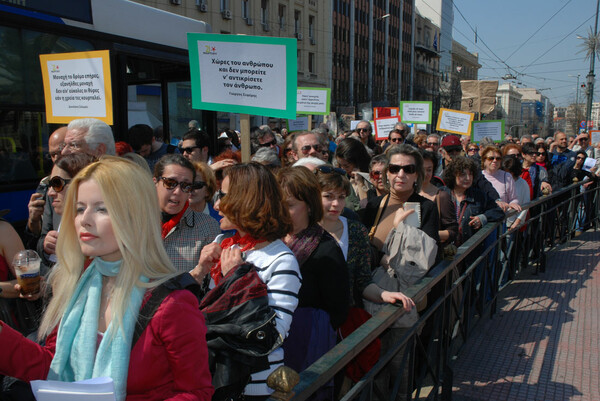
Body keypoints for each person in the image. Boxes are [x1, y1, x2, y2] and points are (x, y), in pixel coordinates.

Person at [0, 157, 214, 401]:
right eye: (80, 208)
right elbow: (53, 368)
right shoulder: (75, 285)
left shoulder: (173, 304)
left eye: (102, 208)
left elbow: (196, 393)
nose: (85, 220)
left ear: (134, 216)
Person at [190, 163, 301, 399]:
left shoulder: (281, 259)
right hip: (210, 376)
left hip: (254, 385)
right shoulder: (224, 242)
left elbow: (271, 337)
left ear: (248, 200)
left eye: (224, 196)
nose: (217, 205)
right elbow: (197, 315)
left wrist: (238, 281)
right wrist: (200, 272)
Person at [277, 167, 349, 400]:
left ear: (308, 204)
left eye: (289, 204)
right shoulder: (270, 238)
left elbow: (338, 309)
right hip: (271, 346)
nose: (281, 210)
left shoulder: (326, 249)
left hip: (307, 348)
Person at [153, 154, 220, 272]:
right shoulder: (134, 223)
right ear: (155, 182)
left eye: (186, 186)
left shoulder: (207, 227)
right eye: (170, 183)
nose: (178, 191)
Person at [38, 153, 97, 270]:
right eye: (49, 184)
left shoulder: (98, 229)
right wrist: (45, 245)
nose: (50, 193)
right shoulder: (59, 215)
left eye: (57, 184)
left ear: (79, 183)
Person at [441, 156, 504, 246]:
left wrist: (483, 218)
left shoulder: (479, 196)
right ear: (453, 175)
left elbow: (498, 212)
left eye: (470, 174)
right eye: (463, 174)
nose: (468, 178)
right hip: (446, 249)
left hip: (471, 251)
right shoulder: (442, 194)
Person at [419, 150, 458, 248]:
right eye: (422, 169)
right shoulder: (405, 193)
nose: (426, 174)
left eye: (429, 170)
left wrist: (430, 235)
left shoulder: (442, 196)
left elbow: (453, 231)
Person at [335, 138, 373, 211]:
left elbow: (366, 208)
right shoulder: (341, 177)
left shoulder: (371, 179)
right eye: (340, 165)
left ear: (358, 162)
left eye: (346, 166)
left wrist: (360, 182)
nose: (343, 169)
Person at [480, 146, 521, 213]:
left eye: (498, 158)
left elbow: (514, 198)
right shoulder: (479, 176)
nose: (495, 161)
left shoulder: (507, 176)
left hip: (501, 217)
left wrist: (512, 204)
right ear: (484, 160)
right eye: (491, 158)